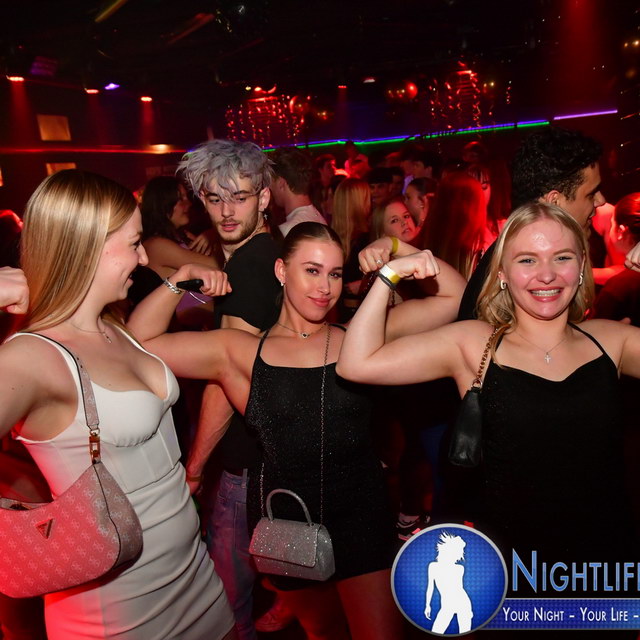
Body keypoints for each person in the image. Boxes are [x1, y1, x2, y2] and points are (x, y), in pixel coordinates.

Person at [128, 222, 466, 640]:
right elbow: (138, 342)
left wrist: (396, 247)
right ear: (281, 271)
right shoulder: (239, 350)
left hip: (362, 513)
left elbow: (455, 296)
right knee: (323, 632)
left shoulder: (360, 335)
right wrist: (180, 280)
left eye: (335, 274)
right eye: (311, 270)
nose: (325, 287)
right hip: (287, 520)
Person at [338, 203, 639, 604]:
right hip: (512, 573)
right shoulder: (474, 343)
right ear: (502, 274)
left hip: (607, 568)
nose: (546, 274)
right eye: (527, 260)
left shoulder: (611, 342)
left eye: (562, 257)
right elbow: (356, 363)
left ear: (582, 266)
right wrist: (390, 275)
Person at [0, 170, 235, 639]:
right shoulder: (32, 356)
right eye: (133, 244)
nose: (144, 257)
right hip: (120, 613)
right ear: (87, 247)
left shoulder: (112, 325)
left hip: (196, 578)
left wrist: (176, 285)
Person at [177, 139, 282, 640]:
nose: (226, 211)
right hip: (269, 450)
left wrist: (195, 468)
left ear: (263, 198)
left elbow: (225, 374)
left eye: (238, 197)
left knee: (227, 599)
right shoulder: (269, 252)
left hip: (247, 457)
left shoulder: (250, 264)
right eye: (215, 199)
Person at [458, 126, 606, 319]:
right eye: (591, 194)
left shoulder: (509, 254)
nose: (601, 200)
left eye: (563, 259)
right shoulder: (510, 290)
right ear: (554, 201)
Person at [140, 175, 219, 327]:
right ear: (163, 205)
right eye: (180, 199)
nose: (188, 203)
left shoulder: (182, 236)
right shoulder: (156, 245)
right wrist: (216, 233)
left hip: (208, 318)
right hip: (191, 327)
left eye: (186, 197)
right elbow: (216, 266)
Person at [270, 146, 327, 237]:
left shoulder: (286, 232)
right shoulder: (318, 218)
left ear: (281, 183)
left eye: (271, 181)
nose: (270, 187)